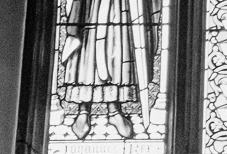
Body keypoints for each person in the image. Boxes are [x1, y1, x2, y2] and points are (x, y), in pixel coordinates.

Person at [56, 0, 160, 141]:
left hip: (120, 6)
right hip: (89, 7)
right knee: (88, 50)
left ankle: (114, 110)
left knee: (117, 50)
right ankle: (83, 111)